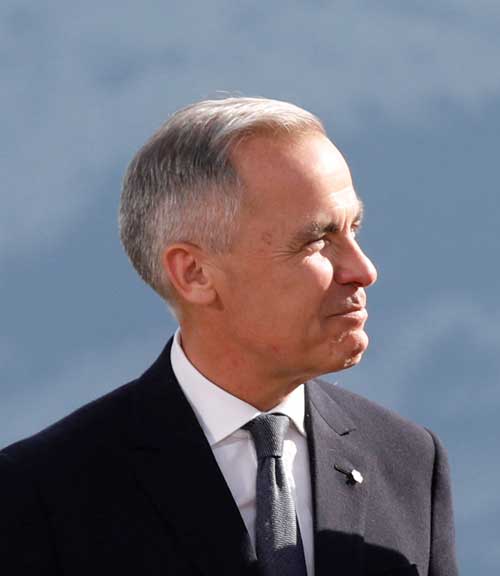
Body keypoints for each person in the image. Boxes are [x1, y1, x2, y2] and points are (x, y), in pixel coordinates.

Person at [0, 97, 457, 576]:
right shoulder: (42, 495)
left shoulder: (408, 462)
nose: (363, 270)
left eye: (354, 229)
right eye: (317, 240)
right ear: (194, 273)